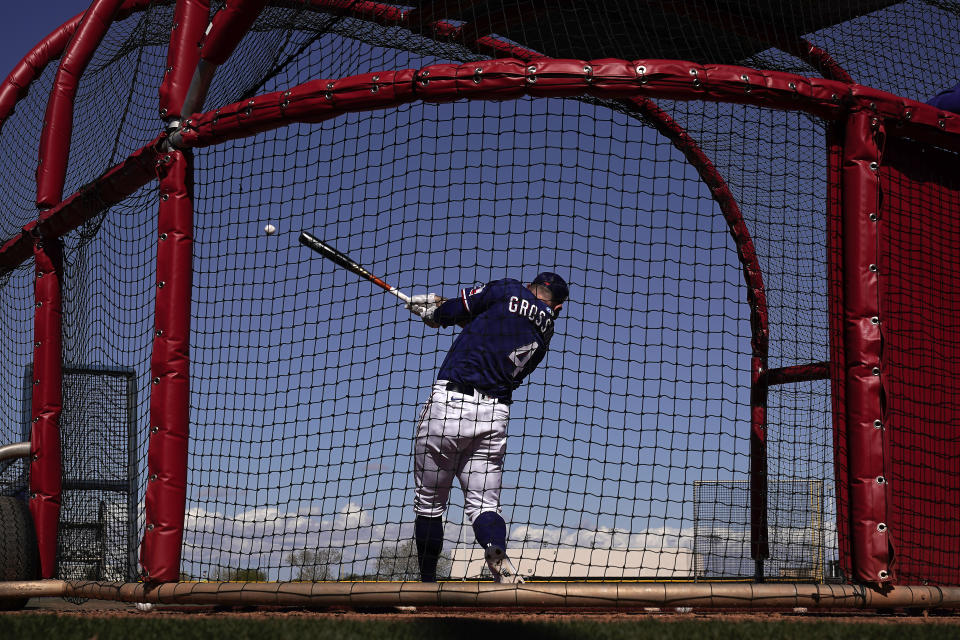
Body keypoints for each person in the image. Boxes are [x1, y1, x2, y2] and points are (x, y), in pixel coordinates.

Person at [404, 272, 569, 583]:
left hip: (450, 404)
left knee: (430, 503)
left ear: (532, 284)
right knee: (484, 505)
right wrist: (439, 307)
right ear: (556, 307)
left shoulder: (507, 288)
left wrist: (435, 313)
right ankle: (499, 560)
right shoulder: (546, 330)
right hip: (494, 415)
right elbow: (492, 327)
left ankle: (426, 582)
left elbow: (460, 312)